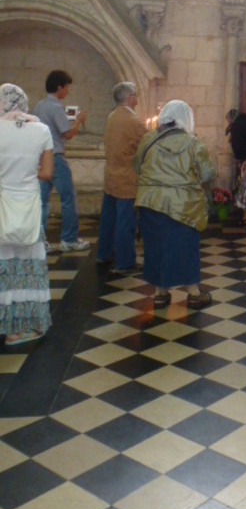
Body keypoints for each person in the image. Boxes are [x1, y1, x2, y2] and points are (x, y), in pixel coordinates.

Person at [134, 100, 214, 309]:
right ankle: (194, 293)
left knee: (155, 247)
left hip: (150, 202)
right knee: (185, 247)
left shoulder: (148, 139)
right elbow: (207, 173)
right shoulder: (192, 142)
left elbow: (137, 166)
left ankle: (160, 293)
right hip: (183, 205)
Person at [0, 84, 54, 345]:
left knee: (4, 268)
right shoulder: (42, 130)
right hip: (29, 206)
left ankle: (7, 327)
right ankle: (24, 326)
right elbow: (46, 174)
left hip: (2, 205)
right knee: (27, 268)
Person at [33, 70, 89, 253]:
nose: (67, 91)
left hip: (40, 157)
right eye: (66, 87)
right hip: (55, 157)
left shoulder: (39, 106)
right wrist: (79, 121)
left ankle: (39, 241)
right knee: (68, 198)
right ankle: (69, 239)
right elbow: (67, 134)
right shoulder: (55, 107)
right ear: (60, 87)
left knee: (42, 201)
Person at [97, 82, 147, 274]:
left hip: (111, 174)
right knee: (126, 222)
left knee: (108, 218)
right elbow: (148, 141)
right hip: (127, 177)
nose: (137, 99)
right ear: (129, 98)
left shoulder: (112, 116)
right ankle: (125, 262)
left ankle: (104, 253)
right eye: (135, 95)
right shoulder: (133, 121)